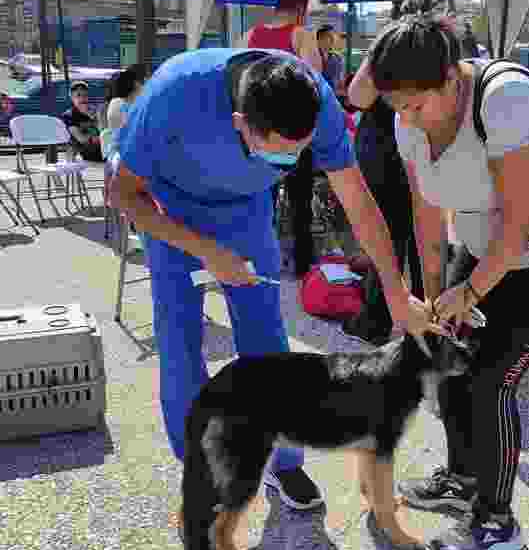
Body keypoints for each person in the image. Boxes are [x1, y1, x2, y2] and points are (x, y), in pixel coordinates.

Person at [109, 48, 444, 510]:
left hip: (246, 210)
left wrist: (395, 291)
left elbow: (358, 202)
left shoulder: (318, 101)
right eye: (279, 151)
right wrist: (206, 251)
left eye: (298, 151)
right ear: (239, 121)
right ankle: (200, 472)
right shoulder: (174, 93)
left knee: (267, 339)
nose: (290, 160)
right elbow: (123, 194)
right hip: (170, 207)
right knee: (181, 342)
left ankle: (283, 464)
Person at [352, 0, 529, 550]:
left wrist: (469, 292)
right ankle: (463, 479)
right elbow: (426, 213)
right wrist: (436, 294)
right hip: (484, 251)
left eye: (415, 106)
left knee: (490, 380)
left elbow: (519, 226)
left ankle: (498, 522)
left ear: (450, 80)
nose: (404, 120)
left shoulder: (505, 99)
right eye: (396, 108)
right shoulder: (407, 114)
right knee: (450, 368)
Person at [343, 0, 448, 346]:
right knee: (428, 232)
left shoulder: (393, 38)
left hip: (384, 148)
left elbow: (358, 97)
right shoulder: (450, 37)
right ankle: (432, 318)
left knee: (385, 235)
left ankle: (374, 319)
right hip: (433, 144)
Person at [242, 0, 323, 277]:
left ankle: (259, 261)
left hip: (259, 133)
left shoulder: (250, 35)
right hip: (295, 134)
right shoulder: (301, 35)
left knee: (261, 200)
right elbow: (315, 78)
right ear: (300, 10)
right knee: (300, 203)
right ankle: (302, 267)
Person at [99, 64, 147, 168]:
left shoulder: (115, 102)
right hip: (127, 159)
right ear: (137, 84)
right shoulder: (134, 106)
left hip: (115, 156)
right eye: (144, 81)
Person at [62, 80, 102, 162]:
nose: (82, 98)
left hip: (102, 147)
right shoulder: (69, 115)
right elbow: (81, 139)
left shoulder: (95, 111)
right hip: (87, 150)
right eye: (78, 95)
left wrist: (94, 118)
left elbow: (104, 130)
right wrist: (96, 137)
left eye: (85, 95)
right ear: (72, 98)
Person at [317, 25, 345, 92]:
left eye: (333, 36)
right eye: (329, 36)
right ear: (320, 38)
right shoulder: (312, 56)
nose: (333, 39)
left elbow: (340, 81)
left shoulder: (338, 58)